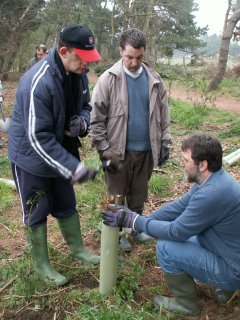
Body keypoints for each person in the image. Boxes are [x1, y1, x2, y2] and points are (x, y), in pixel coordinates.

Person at [101, 133, 240, 317]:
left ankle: (187, 304)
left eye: (185, 160)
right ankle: (227, 289)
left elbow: (177, 232)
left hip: (233, 268)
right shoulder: (213, 180)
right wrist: (139, 223)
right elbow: (179, 207)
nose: (181, 163)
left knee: (166, 248)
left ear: (203, 164)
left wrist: (135, 220)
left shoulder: (211, 193)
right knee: (192, 234)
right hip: (229, 251)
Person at [8, 23, 102, 287]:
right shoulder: (38, 83)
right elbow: (38, 138)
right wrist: (75, 168)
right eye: (83, 58)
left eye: (90, 58)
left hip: (60, 150)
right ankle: (42, 266)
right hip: (30, 157)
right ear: (63, 51)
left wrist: (82, 123)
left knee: (65, 201)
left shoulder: (79, 73)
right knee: (37, 209)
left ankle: (78, 249)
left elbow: (86, 106)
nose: (87, 65)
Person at [90, 28, 171, 251]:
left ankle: (134, 228)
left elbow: (164, 114)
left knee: (138, 193)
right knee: (116, 194)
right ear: (120, 52)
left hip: (146, 149)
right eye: (129, 57)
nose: (134, 62)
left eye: (139, 57)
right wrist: (103, 149)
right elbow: (96, 120)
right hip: (116, 151)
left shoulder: (154, 79)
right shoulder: (109, 79)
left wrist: (165, 142)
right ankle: (116, 233)